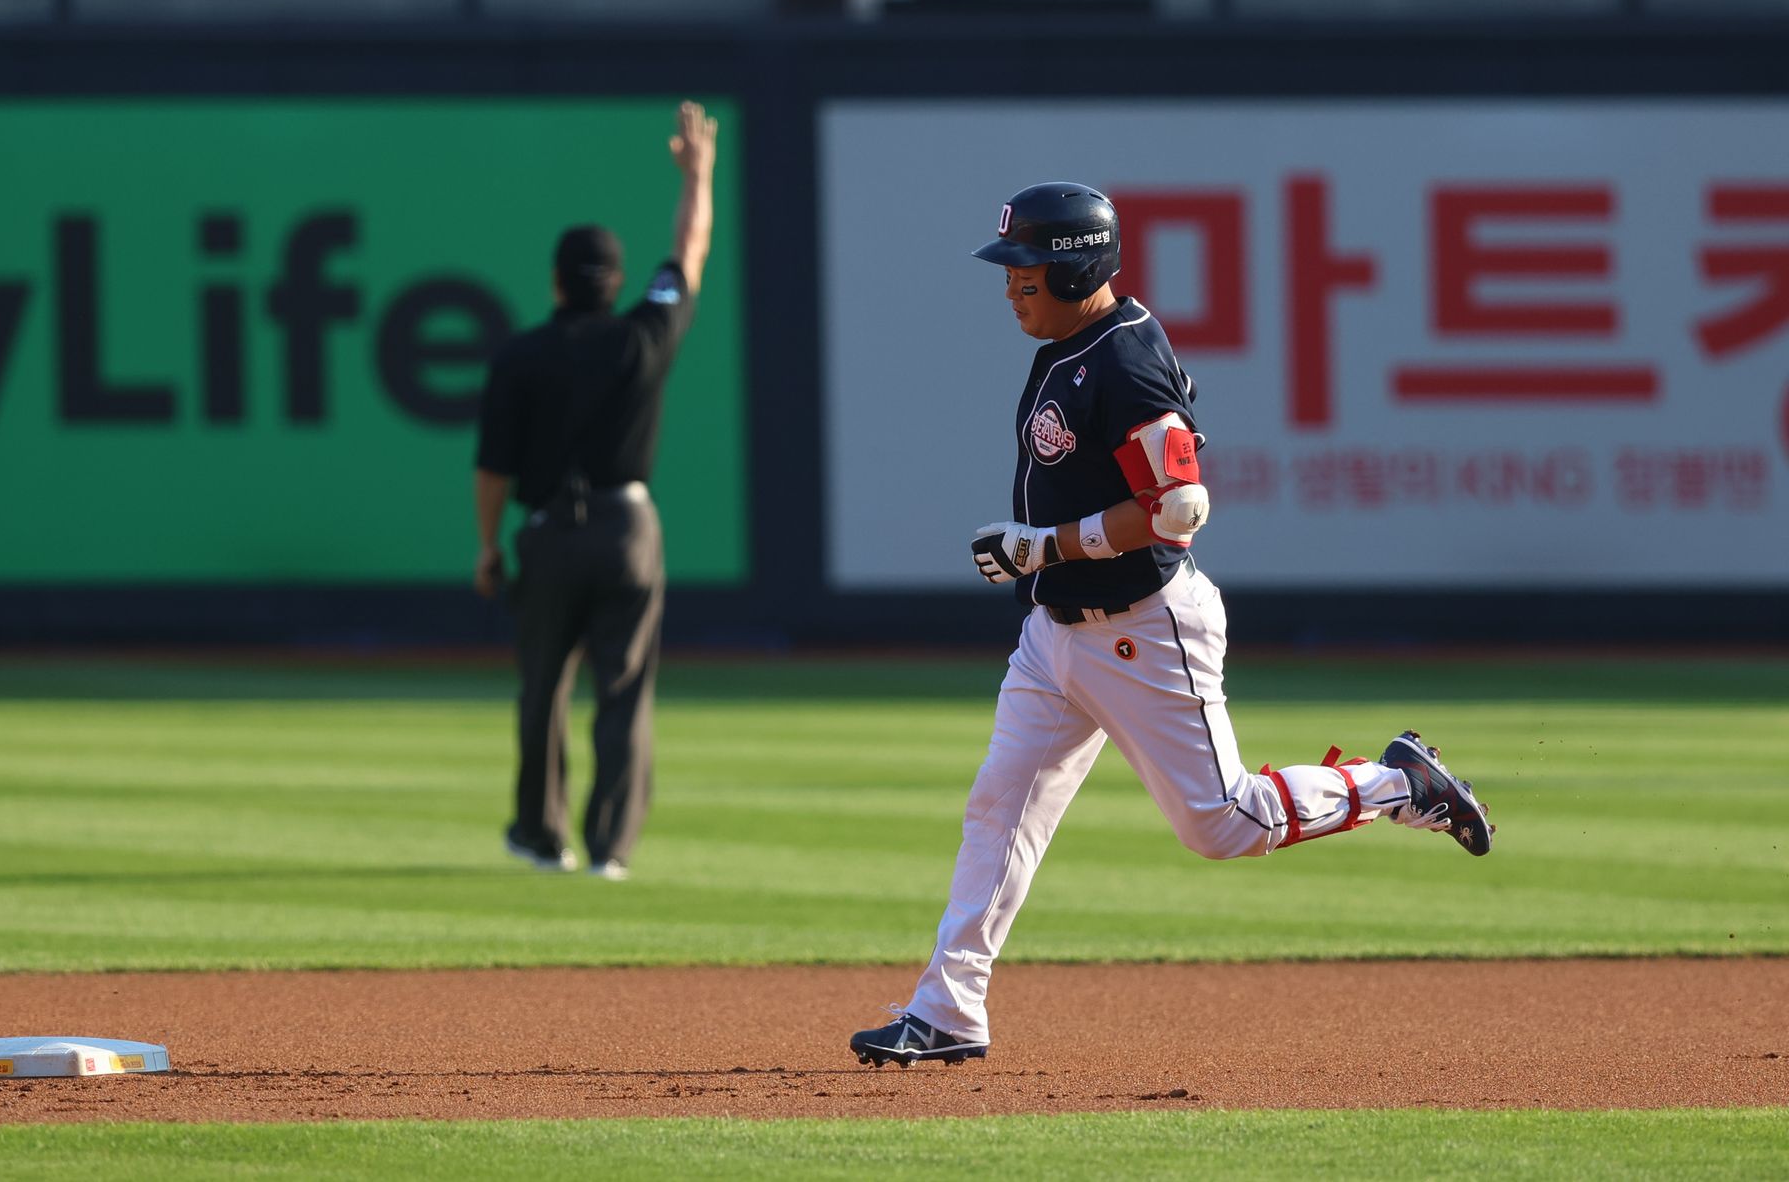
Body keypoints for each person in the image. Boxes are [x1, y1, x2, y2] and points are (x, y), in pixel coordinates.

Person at [848, 182, 1493, 1068]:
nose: (1010, 285)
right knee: (998, 810)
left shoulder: (1124, 359)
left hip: (1141, 630)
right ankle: (950, 1008)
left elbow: (1181, 507)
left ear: (1076, 264)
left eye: (1026, 269)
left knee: (1223, 825)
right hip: (1055, 634)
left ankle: (1395, 785)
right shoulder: (1068, 341)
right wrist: (1047, 564)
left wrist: (1044, 544)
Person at [474, 102, 718, 883]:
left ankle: (543, 839)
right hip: (629, 529)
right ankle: (610, 849)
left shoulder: (521, 354)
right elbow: (689, 249)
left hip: (549, 530)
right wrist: (698, 177)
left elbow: (493, 466)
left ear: (555, 280)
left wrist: (487, 548)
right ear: (616, 283)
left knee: (543, 688)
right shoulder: (643, 334)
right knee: (624, 693)